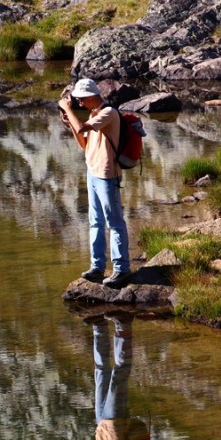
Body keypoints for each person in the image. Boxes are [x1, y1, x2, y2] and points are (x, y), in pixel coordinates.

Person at [58, 78, 132, 289]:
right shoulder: (93, 115)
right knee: (95, 221)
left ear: (91, 96)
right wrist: (68, 121)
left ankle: (122, 269)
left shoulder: (108, 113)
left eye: (81, 100)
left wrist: (67, 109)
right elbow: (84, 143)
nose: (79, 104)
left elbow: (82, 128)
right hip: (93, 172)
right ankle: (97, 267)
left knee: (114, 221)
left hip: (107, 174)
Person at [72, 314, 134, 440]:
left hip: (102, 422)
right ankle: (123, 324)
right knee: (119, 374)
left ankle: (99, 324)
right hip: (116, 422)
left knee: (101, 371)